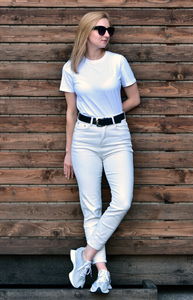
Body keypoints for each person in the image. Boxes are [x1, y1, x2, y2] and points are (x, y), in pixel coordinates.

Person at [59, 11, 140, 294]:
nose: (106, 34)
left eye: (109, 30)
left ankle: (85, 256)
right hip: (84, 138)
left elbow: (134, 98)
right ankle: (102, 272)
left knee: (122, 201)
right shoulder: (71, 68)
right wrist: (68, 152)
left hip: (117, 135)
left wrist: (112, 113)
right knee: (91, 207)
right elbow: (71, 112)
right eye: (101, 29)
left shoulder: (118, 62)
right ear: (87, 33)